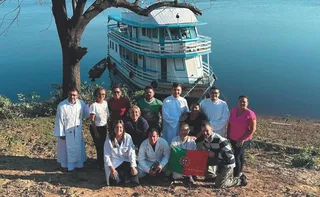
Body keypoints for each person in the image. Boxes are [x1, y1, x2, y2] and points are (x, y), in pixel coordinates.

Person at [198, 121, 246, 188]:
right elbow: (205, 152)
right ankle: (211, 176)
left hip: (227, 163)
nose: (205, 133)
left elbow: (229, 155)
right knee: (203, 159)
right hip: (219, 161)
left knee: (220, 185)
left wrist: (215, 154)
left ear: (211, 129)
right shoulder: (205, 140)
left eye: (207, 130)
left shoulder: (220, 140)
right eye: (203, 131)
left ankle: (239, 180)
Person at [53, 88, 89, 171]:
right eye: (70, 94)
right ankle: (67, 166)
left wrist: (89, 106)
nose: (72, 97)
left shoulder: (81, 103)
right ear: (68, 94)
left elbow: (85, 114)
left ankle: (78, 165)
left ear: (78, 95)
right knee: (67, 150)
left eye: (74, 95)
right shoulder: (62, 106)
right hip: (66, 132)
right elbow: (59, 120)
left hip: (77, 130)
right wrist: (61, 133)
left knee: (78, 148)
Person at [227, 95, 257, 179]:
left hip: (244, 140)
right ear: (238, 102)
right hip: (233, 138)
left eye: (244, 102)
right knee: (240, 155)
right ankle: (240, 171)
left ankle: (236, 174)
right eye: (240, 101)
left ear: (247, 103)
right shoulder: (233, 110)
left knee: (236, 155)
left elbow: (252, 129)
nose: (242, 103)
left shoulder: (250, 114)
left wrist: (242, 139)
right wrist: (228, 134)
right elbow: (230, 123)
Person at [104, 120, 138, 185]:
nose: (118, 129)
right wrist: (112, 170)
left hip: (126, 161)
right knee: (115, 182)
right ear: (113, 128)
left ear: (123, 128)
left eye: (120, 127)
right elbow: (106, 156)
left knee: (134, 180)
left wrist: (133, 167)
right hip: (115, 164)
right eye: (116, 127)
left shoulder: (128, 137)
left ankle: (126, 178)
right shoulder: (109, 139)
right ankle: (122, 178)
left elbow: (132, 152)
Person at [89, 87, 110, 168]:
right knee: (99, 146)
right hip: (96, 128)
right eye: (99, 94)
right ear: (96, 95)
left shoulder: (105, 103)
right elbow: (92, 120)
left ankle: (103, 161)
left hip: (104, 127)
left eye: (103, 94)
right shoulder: (93, 105)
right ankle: (99, 163)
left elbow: (106, 116)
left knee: (104, 145)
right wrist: (95, 132)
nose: (101, 96)